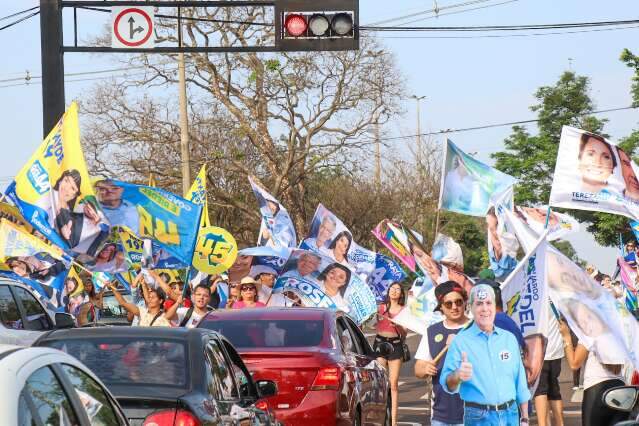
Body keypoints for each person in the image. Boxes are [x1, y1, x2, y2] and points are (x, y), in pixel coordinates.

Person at [440, 284, 530, 425]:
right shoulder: (460, 341)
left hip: (511, 415)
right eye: (479, 303)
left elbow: (520, 380)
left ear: (495, 306)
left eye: (488, 303)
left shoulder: (509, 338)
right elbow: (447, 383)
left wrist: (524, 417)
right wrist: (457, 375)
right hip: (479, 417)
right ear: (470, 307)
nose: (485, 309)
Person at [558, 302, 628, 426]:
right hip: (621, 390)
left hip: (596, 391)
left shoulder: (591, 330)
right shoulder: (619, 331)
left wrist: (566, 337)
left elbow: (575, 364)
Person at [415, 281, 470, 426]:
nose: (454, 307)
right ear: (441, 307)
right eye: (448, 304)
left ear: (465, 302)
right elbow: (418, 368)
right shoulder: (432, 331)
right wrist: (425, 368)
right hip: (441, 414)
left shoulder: (478, 329)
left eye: (458, 302)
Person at [373, 283, 407, 426]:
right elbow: (371, 324)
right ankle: (379, 416)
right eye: (391, 289)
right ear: (388, 291)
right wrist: (376, 319)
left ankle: (394, 421)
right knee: (381, 382)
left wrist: (397, 326)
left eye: (397, 289)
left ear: (401, 294)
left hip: (396, 345)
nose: (394, 291)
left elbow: (404, 335)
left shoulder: (404, 311)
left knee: (393, 384)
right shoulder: (380, 308)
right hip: (380, 343)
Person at [533, 312, 565, 426]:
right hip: (556, 350)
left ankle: (543, 424)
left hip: (539, 350)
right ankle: (560, 423)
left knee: (540, 391)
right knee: (554, 391)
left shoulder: (535, 297)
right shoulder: (555, 295)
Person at [108, 278, 180, 327]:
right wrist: (113, 288)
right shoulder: (142, 312)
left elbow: (171, 313)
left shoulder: (165, 315)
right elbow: (123, 303)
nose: (150, 299)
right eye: (149, 297)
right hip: (143, 348)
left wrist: (177, 303)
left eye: (153, 297)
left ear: (160, 301)